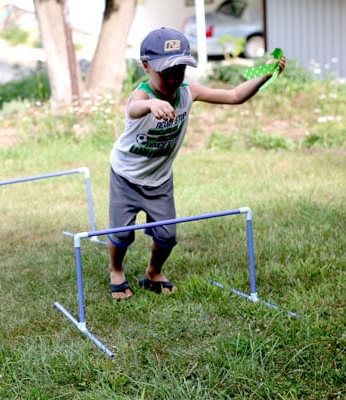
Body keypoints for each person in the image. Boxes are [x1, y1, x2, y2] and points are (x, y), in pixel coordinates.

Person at [108, 27, 285, 300]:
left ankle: (153, 272)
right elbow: (133, 107)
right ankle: (116, 270)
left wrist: (265, 74)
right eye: (165, 72)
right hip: (126, 176)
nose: (173, 78)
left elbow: (235, 95)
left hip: (160, 179)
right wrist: (152, 106)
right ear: (146, 66)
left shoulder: (189, 92)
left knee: (166, 236)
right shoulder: (143, 96)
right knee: (121, 234)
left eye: (179, 70)